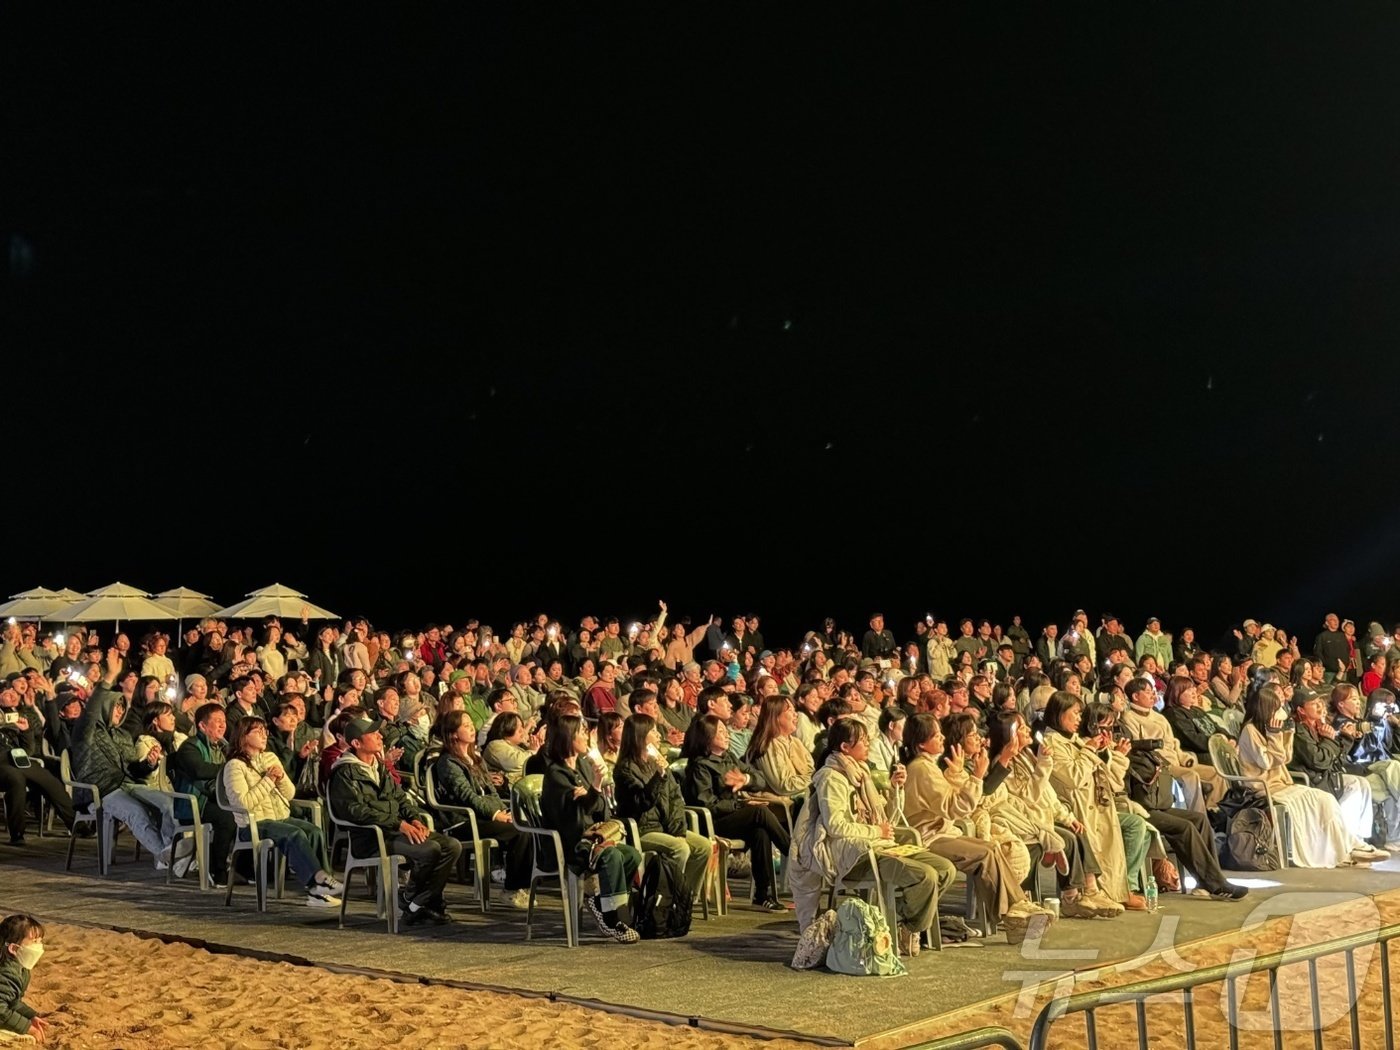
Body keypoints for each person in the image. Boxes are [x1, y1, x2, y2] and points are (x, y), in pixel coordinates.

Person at [788, 717, 954, 955]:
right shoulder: (831, 777)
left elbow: (887, 817)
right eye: (862, 741)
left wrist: (897, 791)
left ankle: (904, 923)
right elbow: (836, 826)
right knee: (925, 876)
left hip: (877, 845)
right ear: (845, 747)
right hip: (854, 855)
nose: (868, 745)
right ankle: (908, 927)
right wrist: (875, 832)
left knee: (945, 869)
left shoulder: (863, 773)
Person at [900, 713, 1051, 936]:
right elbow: (956, 807)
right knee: (985, 853)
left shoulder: (928, 766)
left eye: (941, 733)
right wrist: (977, 776)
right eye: (936, 735)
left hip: (944, 831)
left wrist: (956, 773)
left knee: (992, 848)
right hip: (928, 837)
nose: (942, 738)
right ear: (922, 743)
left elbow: (952, 801)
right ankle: (1012, 913)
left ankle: (1016, 908)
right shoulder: (922, 769)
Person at [328, 716, 463, 924]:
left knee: (452, 846)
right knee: (431, 850)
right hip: (372, 837)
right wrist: (398, 823)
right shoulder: (344, 773)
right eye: (373, 734)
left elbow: (400, 798)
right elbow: (356, 811)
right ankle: (419, 903)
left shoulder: (379, 767)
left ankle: (413, 901)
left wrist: (415, 818)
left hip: (395, 830)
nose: (380, 736)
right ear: (357, 743)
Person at [72, 653, 194, 875]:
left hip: (127, 784)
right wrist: (109, 675)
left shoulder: (121, 735)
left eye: (122, 708)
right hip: (100, 789)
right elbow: (91, 711)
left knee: (169, 803)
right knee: (137, 813)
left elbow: (133, 768)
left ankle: (168, 856)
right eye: (115, 707)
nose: (119, 711)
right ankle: (168, 856)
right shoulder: (85, 731)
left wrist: (148, 763)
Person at [539, 713, 642, 942]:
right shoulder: (556, 774)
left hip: (593, 837)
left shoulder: (583, 766)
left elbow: (600, 808)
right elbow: (573, 818)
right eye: (581, 732)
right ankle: (612, 918)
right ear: (567, 738)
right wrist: (594, 788)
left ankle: (601, 901)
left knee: (631, 855)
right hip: (571, 843)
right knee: (612, 855)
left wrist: (592, 793)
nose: (586, 736)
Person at [221, 717, 343, 908]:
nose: (264, 735)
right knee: (294, 834)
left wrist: (280, 778)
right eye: (258, 732)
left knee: (314, 831)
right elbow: (243, 803)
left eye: (265, 731)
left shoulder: (269, 757)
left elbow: (289, 794)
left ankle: (320, 892)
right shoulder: (235, 766)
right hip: (253, 824)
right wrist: (268, 780)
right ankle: (317, 881)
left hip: (279, 817)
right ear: (244, 737)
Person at [1236, 684, 1363, 868]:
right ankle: (1325, 852)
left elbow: (1285, 758)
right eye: (1277, 708)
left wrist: (1287, 734)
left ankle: (1345, 846)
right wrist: (1274, 736)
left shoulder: (1270, 728)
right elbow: (1266, 763)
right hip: (1263, 787)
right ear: (1266, 709)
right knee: (1307, 803)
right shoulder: (1250, 731)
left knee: (1325, 799)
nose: (1281, 712)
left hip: (1282, 783)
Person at [681, 714, 790, 911]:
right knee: (759, 813)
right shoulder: (700, 766)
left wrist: (746, 780)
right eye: (720, 732)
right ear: (707, 738)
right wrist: (739, 806)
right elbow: (707, 804)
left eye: (725, 731)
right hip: (712, 821)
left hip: (732, 816)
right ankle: (794, 853)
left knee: (760, 831)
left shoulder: (729, 758)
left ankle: (762, 895)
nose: (726, 735)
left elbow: (760, 779)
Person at [1039, 691, 1135, 908]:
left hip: (1097, 802)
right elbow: (1073, 777)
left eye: (1081, 714)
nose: (1079, 719)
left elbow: (1110, 779)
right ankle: (1090, 892)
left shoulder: (1074, 741)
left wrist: (1106, 754)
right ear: (1060, 713)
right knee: (1084, 838)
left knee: (1120, 838)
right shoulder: (1051, 743)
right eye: (1075, 713)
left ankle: (1109, 893)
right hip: (1073, 807)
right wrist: (1091, 750)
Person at [431, 710, 532, 910]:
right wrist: (496, 814)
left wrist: (505, 811)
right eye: (466, 725)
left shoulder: (476, 758)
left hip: (484, 817)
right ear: (453, 733)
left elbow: (492, 791)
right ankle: (512, 889)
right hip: (463, 820)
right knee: (519, 831)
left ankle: (521, 886)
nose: (472, 728)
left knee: (524, 825)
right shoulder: (448, 762)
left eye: (471, 724)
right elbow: (467, 796)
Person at [612, 714, 709, 911]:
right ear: (641, 736)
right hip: (641, 829)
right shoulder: (625, 769)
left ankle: (686, 898)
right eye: (653, 731)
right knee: (680, 849)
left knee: (702, 846)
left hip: (665, 827)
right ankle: (666, 901)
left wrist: (677, 830)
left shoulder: (656, 762)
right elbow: (642, 803)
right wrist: (658, 777)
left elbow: (675, 798)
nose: (658, 735)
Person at [1286, 689, 1386, 860]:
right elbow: (1318, 761)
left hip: (1326, 776)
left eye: (1320, 702)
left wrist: (1346, 738)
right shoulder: (1299, 730)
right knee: (1354, 786)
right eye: (1314, 704)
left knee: (1362, 783)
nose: (1320, 707)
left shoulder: (1319, 726)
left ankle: (1357, 839)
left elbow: (1335, 757)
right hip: (1311, 779)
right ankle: (1347, 843)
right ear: (1301, 710)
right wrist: (1331, 740)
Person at [170, 703, 238, 886]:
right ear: (202, 725)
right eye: (217, 721)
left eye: (223, 721)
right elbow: (200, 770)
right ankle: (217, 870)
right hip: (194, 803)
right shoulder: (190, 746)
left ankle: (242, 868)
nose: (222, 725)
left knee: (246, 811)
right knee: (228, 817)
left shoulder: (222, 747)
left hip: (215, 798)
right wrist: (231, 768)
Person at [1332, 684, 1400, 849]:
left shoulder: (1360, 721)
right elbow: (1359, 751)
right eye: (1353, 699)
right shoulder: (1341, 724)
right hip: (1358, 769)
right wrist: (1373, 722)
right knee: (1393, 767)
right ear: (1341, 704)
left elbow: (1387, 744)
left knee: (1391, 788)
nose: (1358, 702)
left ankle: (1394, 839)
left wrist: (1387, 723)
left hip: (1372, 766)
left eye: (1358, 698)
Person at [0, 914, 47, 1044]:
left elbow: (12, 1001)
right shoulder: (6, 972)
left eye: (40, 941)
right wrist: (28, 1028)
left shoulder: (21, 969)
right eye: (34, 942)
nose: (39, 946)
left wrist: (30, 1016)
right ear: (14, 948)